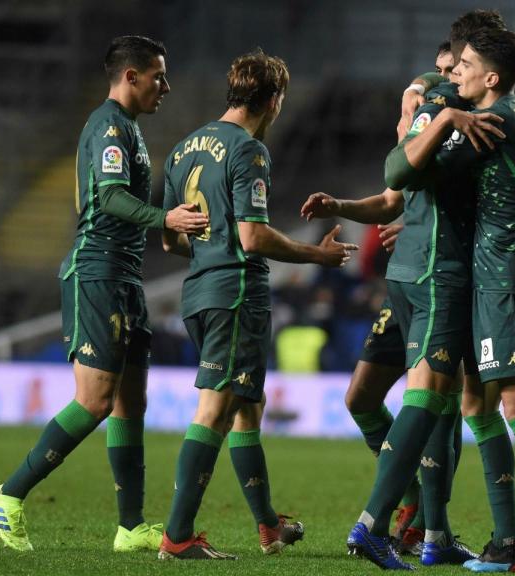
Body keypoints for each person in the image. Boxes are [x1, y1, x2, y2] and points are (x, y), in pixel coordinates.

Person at [0, 35, 208, 553]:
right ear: (131, 76)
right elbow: (108, 198)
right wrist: (163, 218)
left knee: (130, 402)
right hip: (97, 273)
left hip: (125, 277)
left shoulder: (129, 128)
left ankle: (130, 527)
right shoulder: (108, 125)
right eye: (158, 76)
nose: (165, 87)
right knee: (96, 400)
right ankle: (9, 494)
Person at [157, 49, 357, 560]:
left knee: (248, 407)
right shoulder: (248, 150)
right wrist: (317, 254)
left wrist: (211, 240)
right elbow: (253, 237)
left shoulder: (182, 151)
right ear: (273, 99)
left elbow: (171, 240)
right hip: (236, 294)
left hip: (198, 290)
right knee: (217, 408)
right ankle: (177, 536)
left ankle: (268, 526)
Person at [388, 27, 515, 573]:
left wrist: (426, 114)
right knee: (477, 406)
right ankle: (505, 538)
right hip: (490, 278)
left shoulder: (493, 123)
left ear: (492, 78)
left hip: (512, 280)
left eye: (464, 64)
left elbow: (401, 169)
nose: (454, 72)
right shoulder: (511, 112)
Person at [311, 40, 460, 558]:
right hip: (402, 285)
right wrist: (343, 206)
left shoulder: (456, 126)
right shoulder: (422, 123)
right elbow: (392, 198)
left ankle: (428, 524)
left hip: (437, 279)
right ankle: (414, 500)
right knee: (361, 398)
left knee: (439, 399)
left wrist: (414, 227)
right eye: (439, 70)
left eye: (451, 70)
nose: (442, 79)